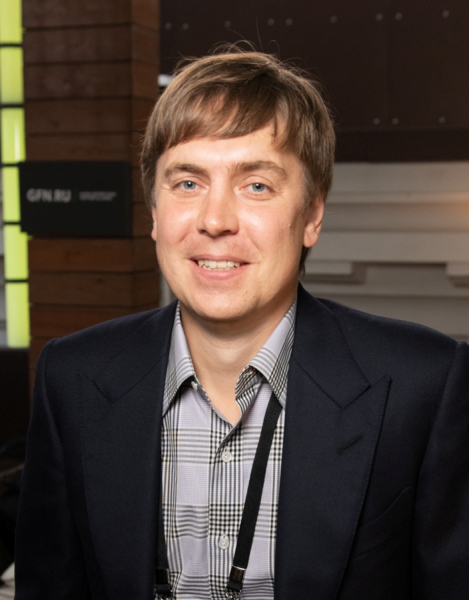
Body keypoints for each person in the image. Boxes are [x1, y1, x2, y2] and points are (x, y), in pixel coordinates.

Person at [15, 49, 469, 600]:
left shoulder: (424, 384)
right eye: (188, 183)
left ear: (312, 216)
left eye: (256, 185)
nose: (215, 220)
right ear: (154, 213)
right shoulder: (71, 378)